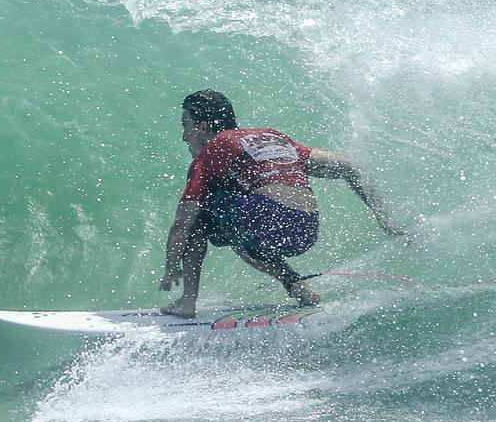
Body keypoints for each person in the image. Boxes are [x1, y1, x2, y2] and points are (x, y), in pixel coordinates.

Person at [159, 89, 404, 318]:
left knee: (204, 216)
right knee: (241, 227)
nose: (183, 136)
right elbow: (349, 167)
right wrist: (384, 219)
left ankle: (188, 301)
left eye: (186, 126)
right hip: (306, 230)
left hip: (266, 221)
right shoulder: (270, 137)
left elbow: (183, 223)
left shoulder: (212, 151)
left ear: (202, 127)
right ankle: (297, 287)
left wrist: (171, 268)